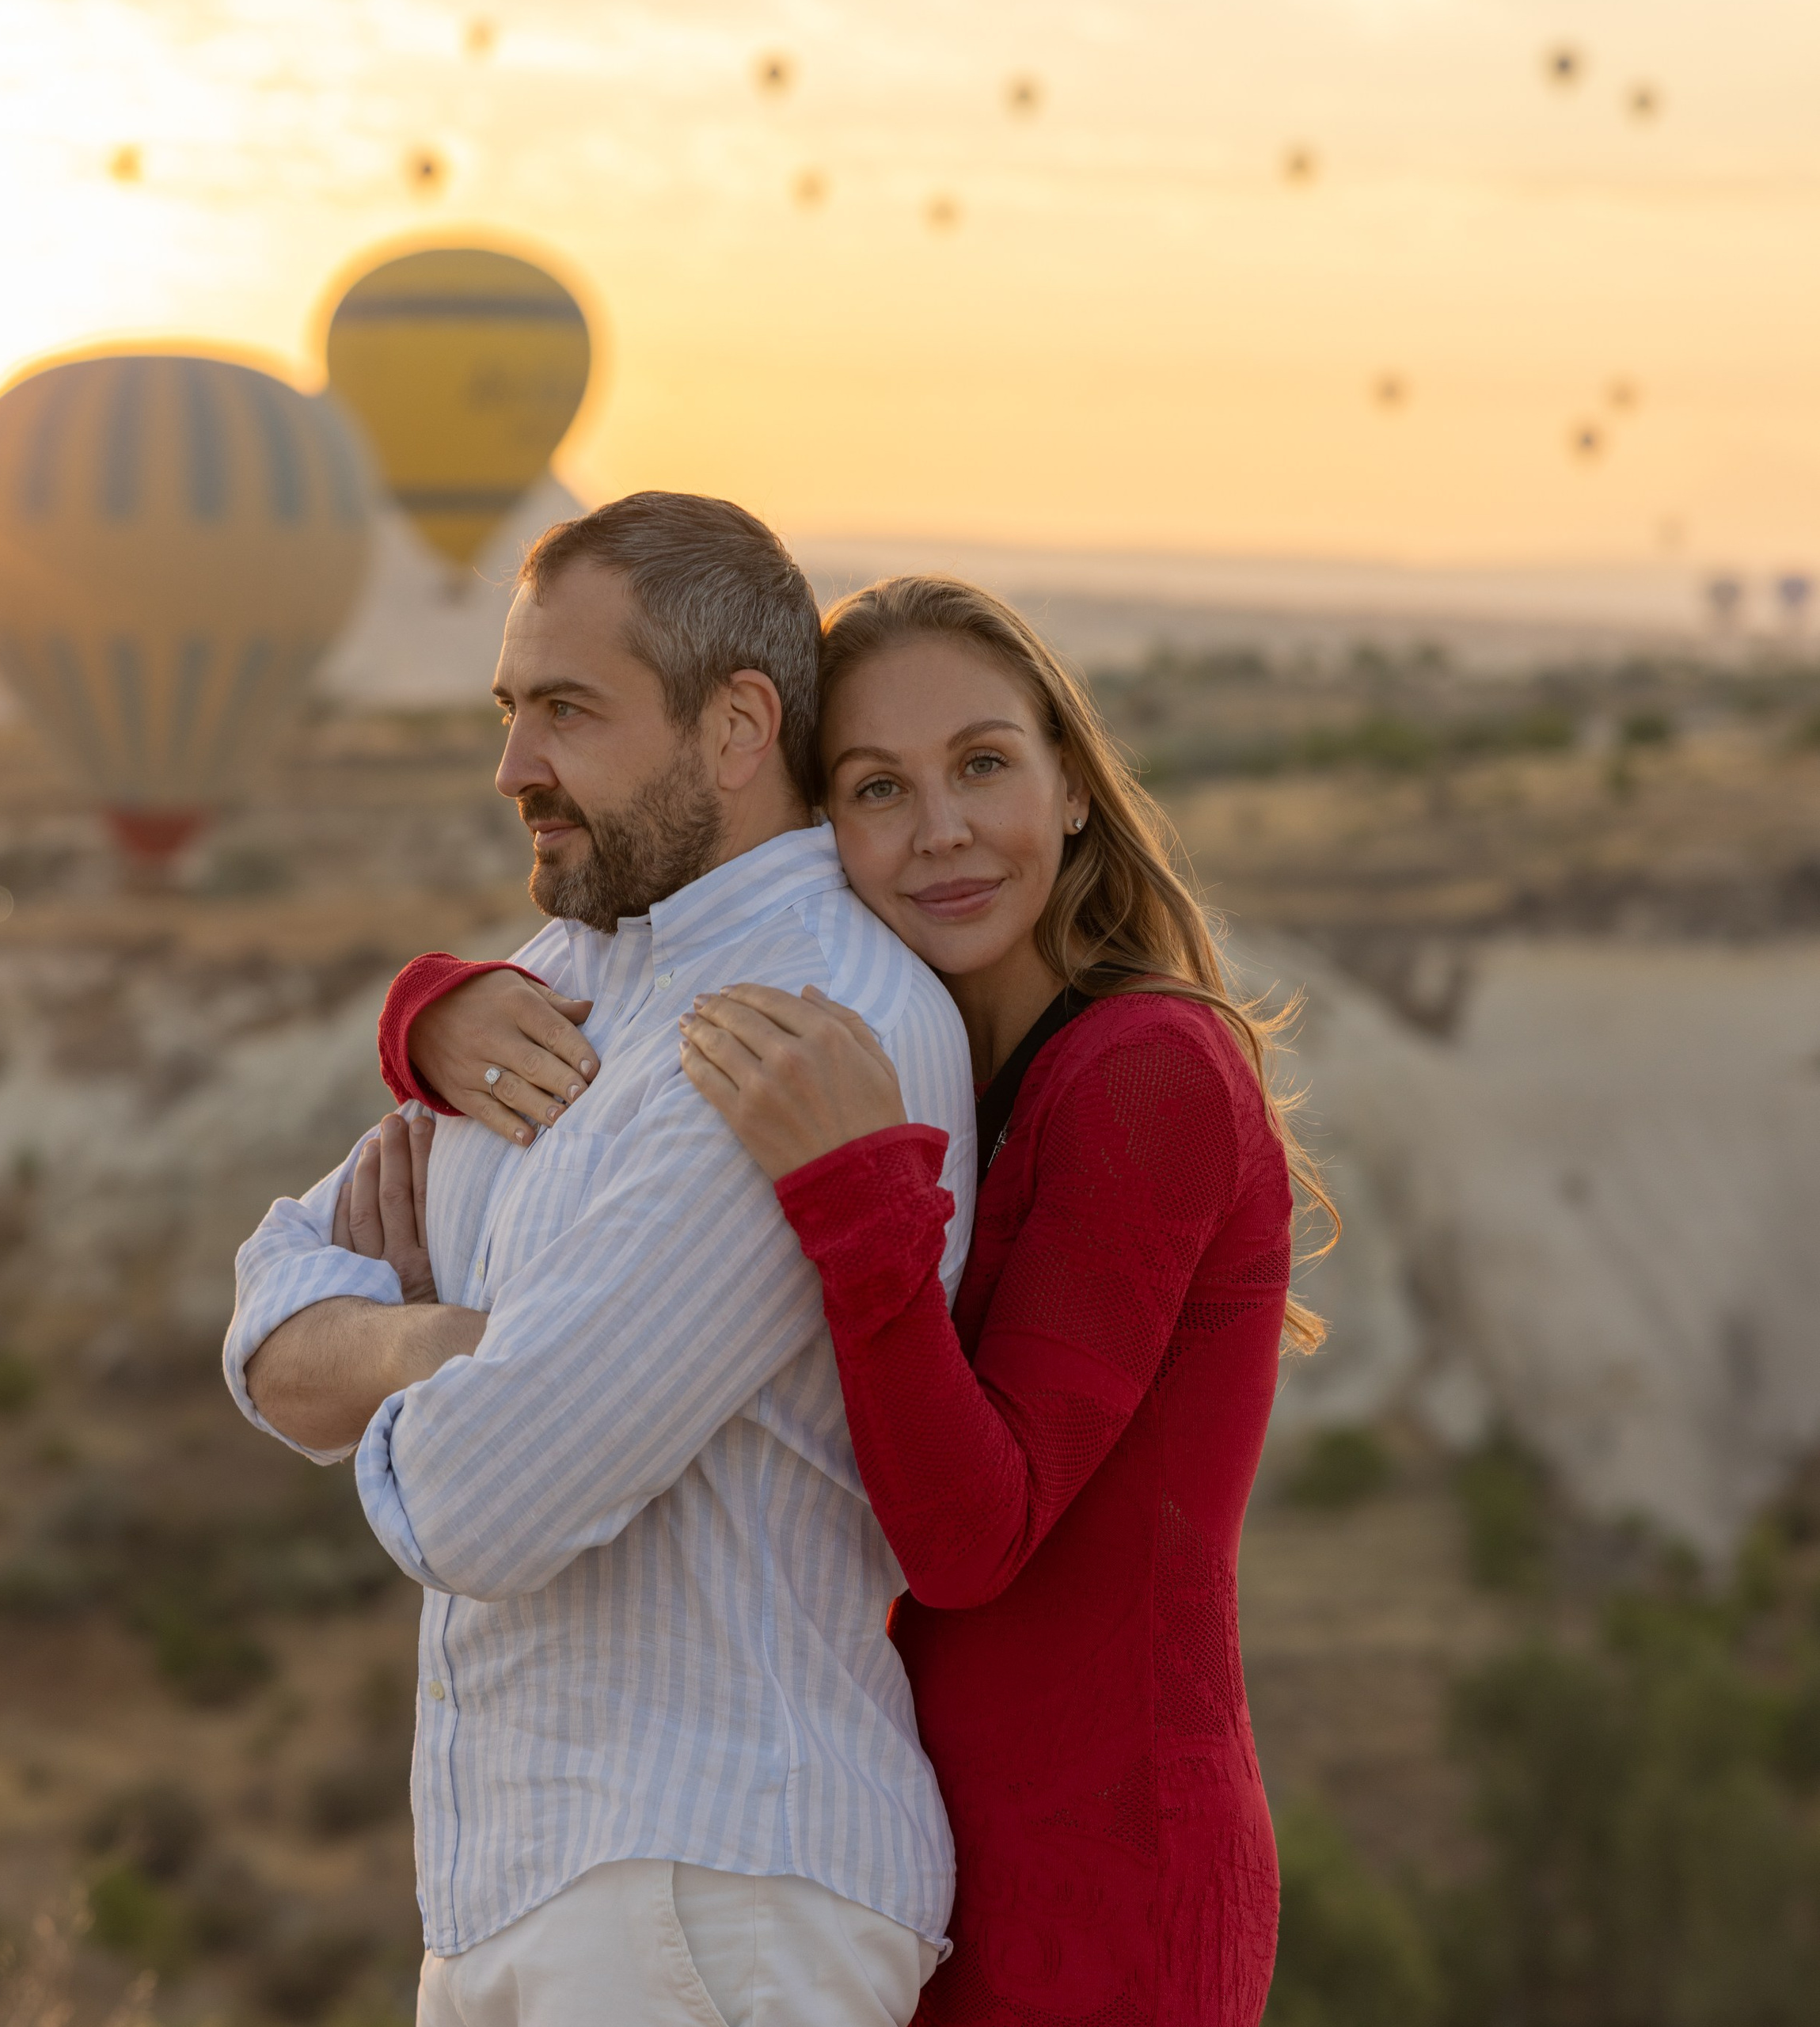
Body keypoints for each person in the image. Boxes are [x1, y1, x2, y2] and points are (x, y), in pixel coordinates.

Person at [391, 576, 1333, 2026]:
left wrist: (854, 1195)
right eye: (878, 787)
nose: (940, 829)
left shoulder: (1145, 1073)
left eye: (983, 765)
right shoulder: (943, 1049)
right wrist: (434, 1010)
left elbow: (970, 1541)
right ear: (821, 828)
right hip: (921, 1849)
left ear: (1072, 787)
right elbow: (654, 944)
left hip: (1102, 1876)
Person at [222, 496, 978, 2027]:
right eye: (510, 711)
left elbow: (489, 1503)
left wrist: (377, 1348)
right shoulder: (552, 991)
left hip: (710, 1892)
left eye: (568, 710)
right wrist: (433, 1345)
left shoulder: (805, 1024)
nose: (514, 768)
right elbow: (264, 1314)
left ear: (735, 727)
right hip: (535, 1889)